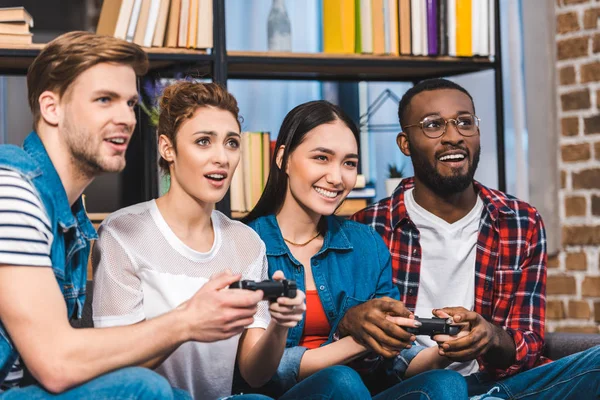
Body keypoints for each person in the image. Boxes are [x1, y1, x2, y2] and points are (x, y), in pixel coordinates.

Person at [344, 78, 600, 399]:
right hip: (411, 389)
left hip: (497, 386)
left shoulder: (520, 221)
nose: (453, 137)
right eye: (433, 125)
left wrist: (490, 336)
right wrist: (352, 322)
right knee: (442, 387)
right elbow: (363, 361)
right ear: (405, 143)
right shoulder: (368, 227)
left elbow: (527, 342)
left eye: (465, 122)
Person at [0, 31, 195, 399]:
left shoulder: (72, 219)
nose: (127, 118)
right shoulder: (13, 194)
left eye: (130, 103)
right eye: (105, 100)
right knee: (143, 389)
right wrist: (186, 321)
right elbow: (56, 363)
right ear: (51, 107)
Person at [91, 81, 306, 400]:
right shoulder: (123, 234)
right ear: (167, 148)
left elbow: (254, 374)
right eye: (203, 141)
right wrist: (190, 318)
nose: (222, 157)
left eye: (231, 143)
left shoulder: (246, 243)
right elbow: (115, 369)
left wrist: (279, 325)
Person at [241, 100, 469, 400]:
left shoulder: (366, 245)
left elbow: (397, 361)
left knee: (447, 383)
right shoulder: (245, 242)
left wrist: (450, 348)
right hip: (281, 395)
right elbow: (260, 373)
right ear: (283, 158)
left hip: (360, 394)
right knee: (340, 380)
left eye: (349, 163)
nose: (337, 178)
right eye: (322, 158)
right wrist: (362, 340)